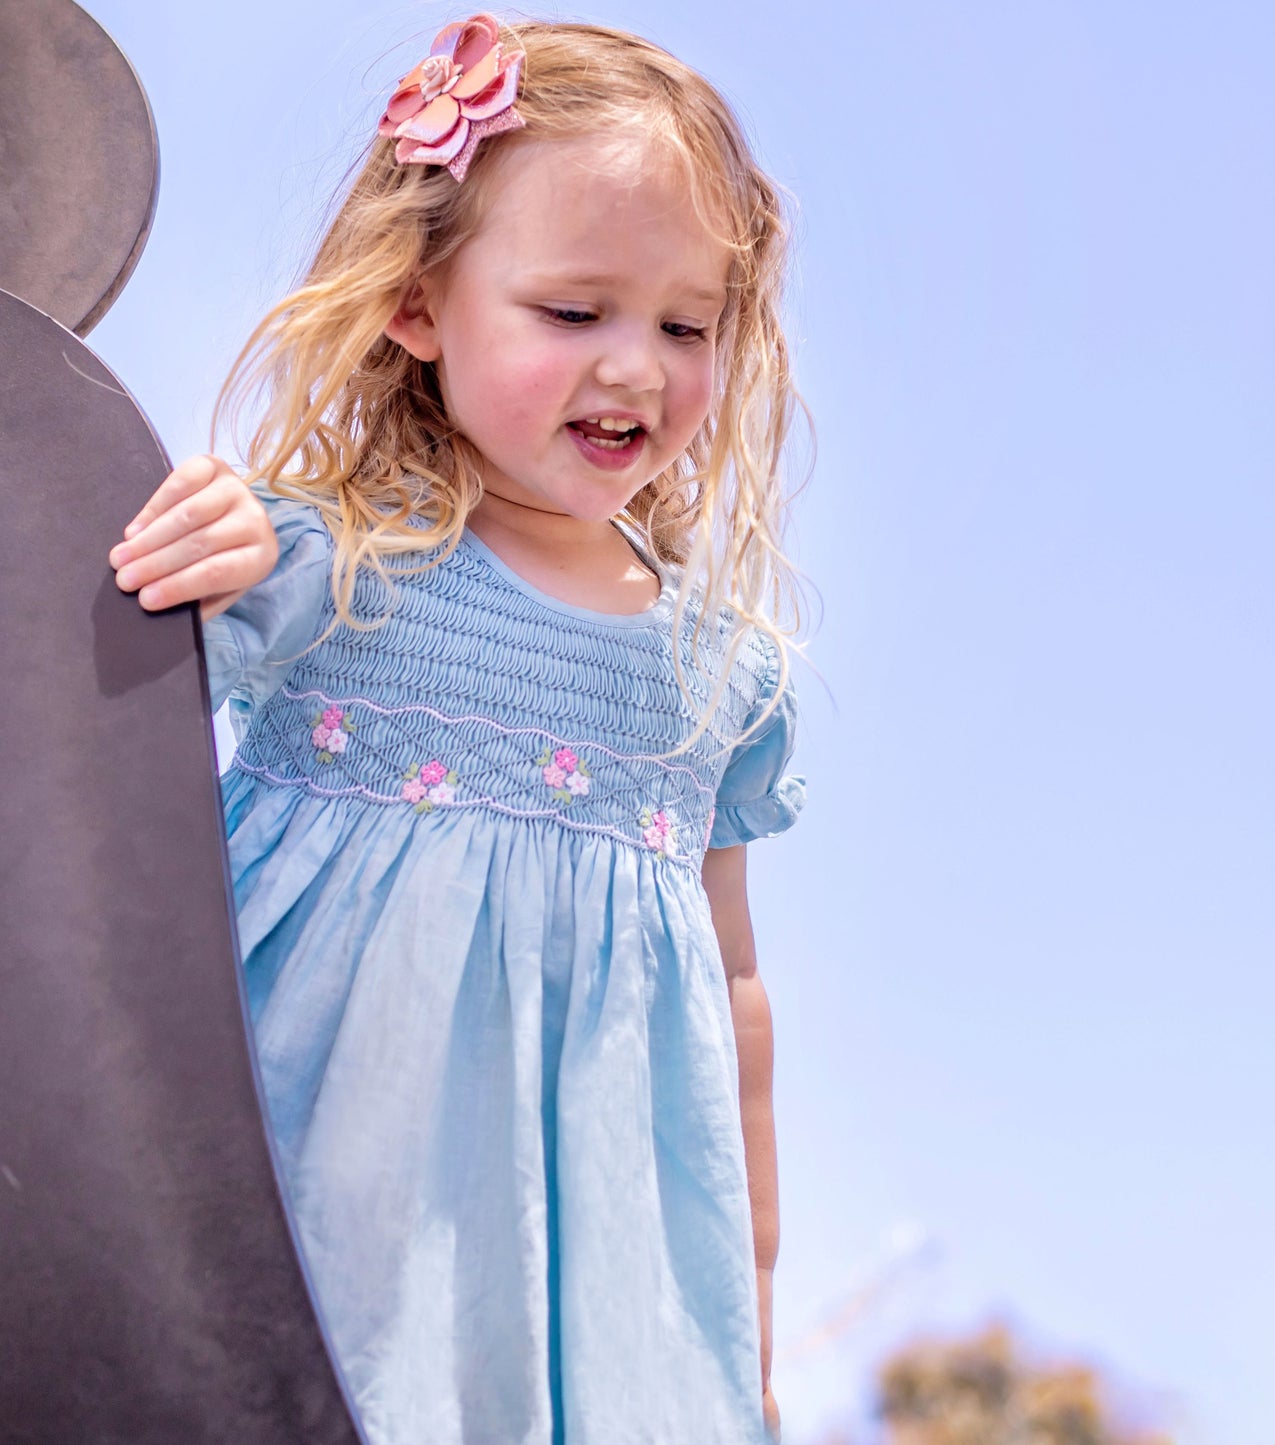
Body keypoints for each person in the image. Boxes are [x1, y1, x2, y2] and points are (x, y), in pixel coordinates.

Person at [107, 14, 805, 1445]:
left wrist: (748, 1313)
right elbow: (95, 738)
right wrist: (217, 538)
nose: (637, 368)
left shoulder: (725, 672)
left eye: (687, 324)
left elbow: (735, 993)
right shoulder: (327, 563)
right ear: (419, 306)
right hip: (327, 1201)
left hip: (602, 1287)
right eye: (573, 312)